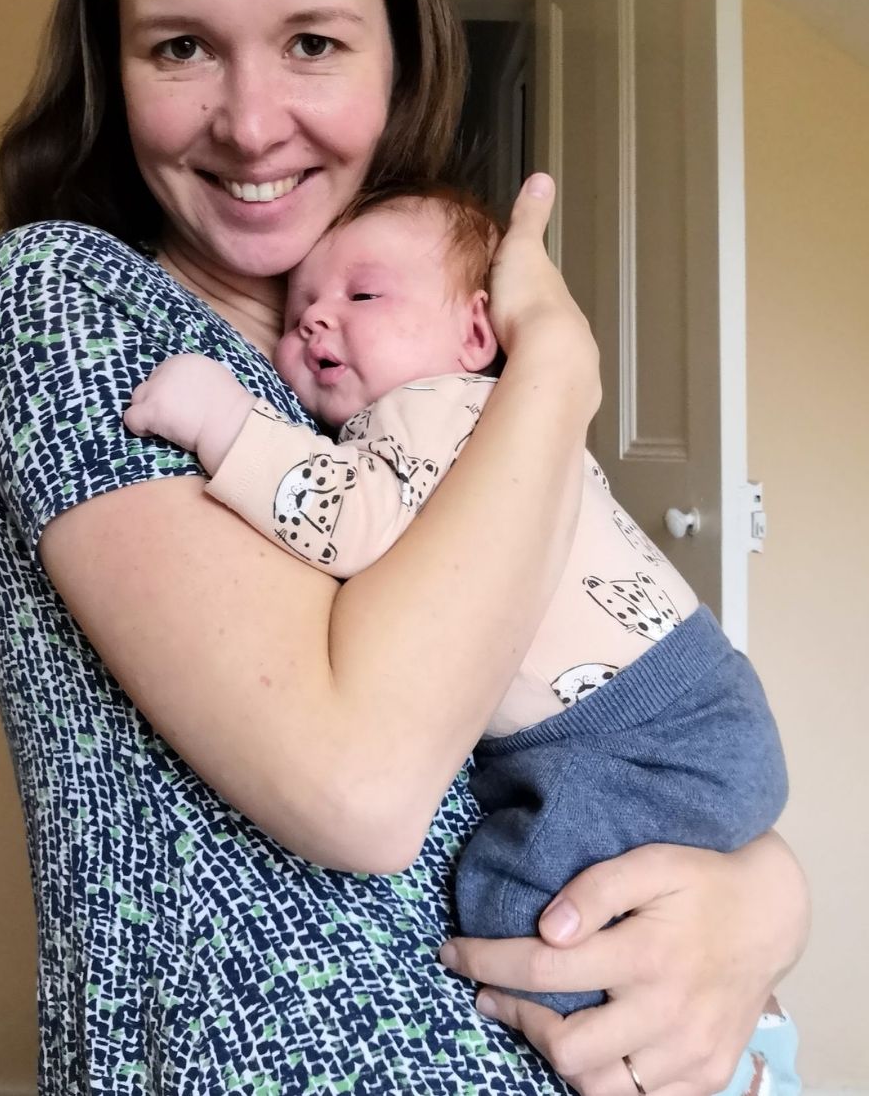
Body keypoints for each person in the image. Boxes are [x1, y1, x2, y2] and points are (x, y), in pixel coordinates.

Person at [0, 0, 808, 1096]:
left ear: (400, 55)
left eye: (312, 42)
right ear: (110, 69)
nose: (249, 120)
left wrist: (764, 893)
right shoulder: (69, 300)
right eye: (179, 45)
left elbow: (542, 711)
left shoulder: (369, 383)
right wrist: (560, 370)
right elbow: (365, 785)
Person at [123, 184, 800, 1089]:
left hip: (630, 731)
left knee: (514, 907)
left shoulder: (437, 412)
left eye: (363, 298)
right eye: (300, 312)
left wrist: (222, 424)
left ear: (477, 335)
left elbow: (350, 520)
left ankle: (699, 1073)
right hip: (686, 706)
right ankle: (758, 1051)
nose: (319, 322)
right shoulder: (502, 423)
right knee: (631, 907)